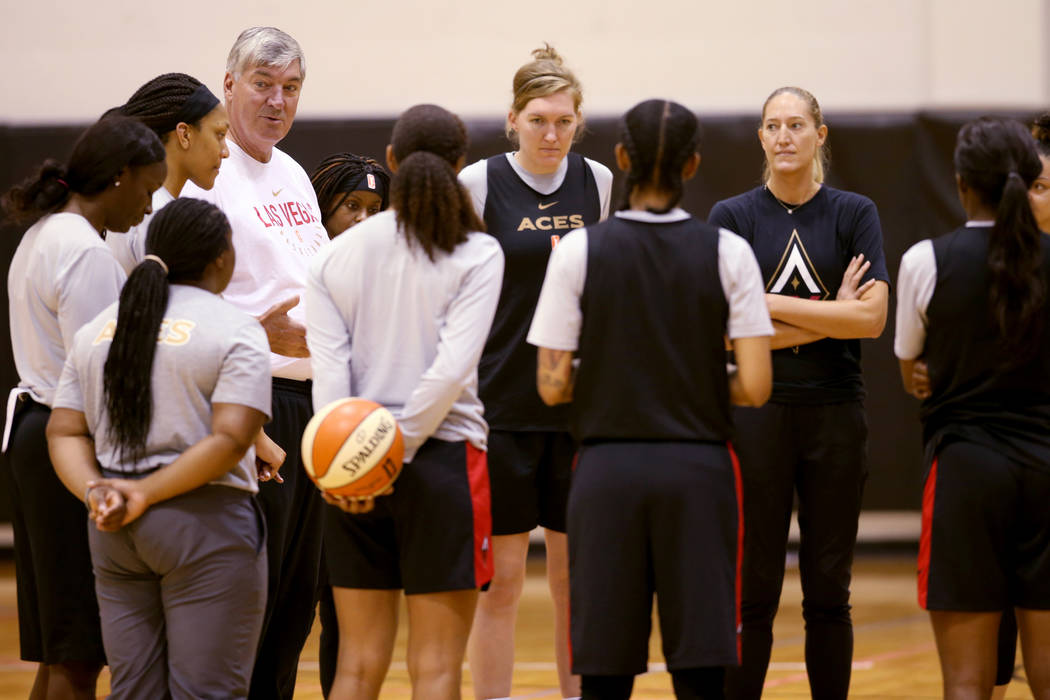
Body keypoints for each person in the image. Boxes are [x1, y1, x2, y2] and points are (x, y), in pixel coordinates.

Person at [528, 98, 773, 700]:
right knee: (700, 669)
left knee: (605, 672)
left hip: (607, 473)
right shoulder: (728, 252)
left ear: (620, 159)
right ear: (692, 165)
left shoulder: (579, 251)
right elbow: (757, 385)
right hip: (700, 472)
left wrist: (618, 378)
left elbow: (551, 384)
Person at [305, 103, 503, 699]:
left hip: (349, 469)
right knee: (437, 668)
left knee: (357, 666)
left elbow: (330, 374)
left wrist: (351, 462)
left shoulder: (332, 255)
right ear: (460, 165)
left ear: (391, 161)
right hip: (442, 463)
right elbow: (449, 374)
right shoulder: (477, 253)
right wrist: (397, 445)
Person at [46, 198, 278, 699]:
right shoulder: (236, 328)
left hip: (112, 525)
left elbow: (63, 431)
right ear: (221, 257)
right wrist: (146, 493)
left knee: (134, 692)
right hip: (204, 522)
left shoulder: (100, 329)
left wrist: (99, 493)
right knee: (206, 692)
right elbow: (231, 438)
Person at [708, 86, 890, 700]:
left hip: (836, 415)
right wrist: (826, 311)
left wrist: (765, 308)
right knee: (751, 592)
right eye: (772, 125)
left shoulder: (854, 212)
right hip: (756, 416)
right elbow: (727, 336)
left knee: (828, 593)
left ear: (820, 134)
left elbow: (870, 322)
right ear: (760, 137)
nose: (783, 136)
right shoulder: (732, 218)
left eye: (795, 124)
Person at [458, 44, 612, 700]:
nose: (552, 133)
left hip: (578, 410)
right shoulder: (479, 184)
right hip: (501, 407)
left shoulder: (598, 181)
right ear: (513, 118)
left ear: (579, 122)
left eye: (564, 121)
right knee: (504, 582)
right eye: (539, 120)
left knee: (576, 583)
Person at [179, 27, 329, 698]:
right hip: (249, 404)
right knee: (250, 605)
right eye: (262, 85)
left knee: (298, 605)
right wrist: (254, 331)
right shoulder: (204, 176)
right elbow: (171, 308)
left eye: (290, 88)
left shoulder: (293, 170)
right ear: (230, 84)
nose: (276, 101)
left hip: (313, 406)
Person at [1, 115, 166, 700]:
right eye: (148, 189)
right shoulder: (87, 254)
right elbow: (101, 376)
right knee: (80, 649)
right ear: (119, 177)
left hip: (31, 435)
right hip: (68, 442)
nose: (148, 209)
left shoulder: (42, 234)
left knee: (58, 647)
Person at [895, 116, 1050, 699]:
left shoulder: (924, 261)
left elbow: (912, 371)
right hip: (1047, 471)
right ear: (1030, 178)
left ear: (961, 182)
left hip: (965, 473)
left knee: (967, 683)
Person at [308, 150, 390, 697]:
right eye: (350, 207)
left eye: (375, 208)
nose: (362, 220)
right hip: (302, 437)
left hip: (358, 448)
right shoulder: (308, 268)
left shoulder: (393, 277)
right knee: (291, 603)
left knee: (346, 607)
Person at [105, 72, 230, 274]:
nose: (225, 152)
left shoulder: (140, 203)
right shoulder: (155, 213)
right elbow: (173, 304)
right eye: (219, 135)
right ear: (185, 134)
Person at [310, 152, 390, 239]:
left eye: (373, 210)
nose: (363, 218)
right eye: (352, 205)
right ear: (326, 203)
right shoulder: (298, 248)